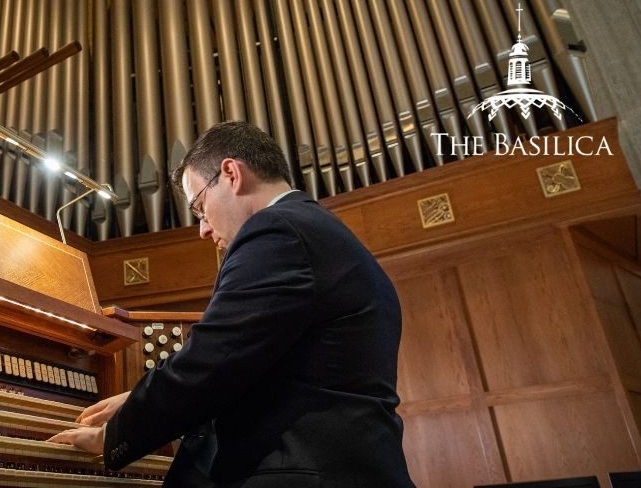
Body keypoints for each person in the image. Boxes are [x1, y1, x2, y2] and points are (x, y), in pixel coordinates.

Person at [48, 121, 414, 487]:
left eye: (200, 207)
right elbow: (260, 374)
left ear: (231, 173)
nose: (203, 229)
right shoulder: (316, 231)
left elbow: (212, 358)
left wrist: (115, 435)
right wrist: (135, 400)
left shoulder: (278, 231)